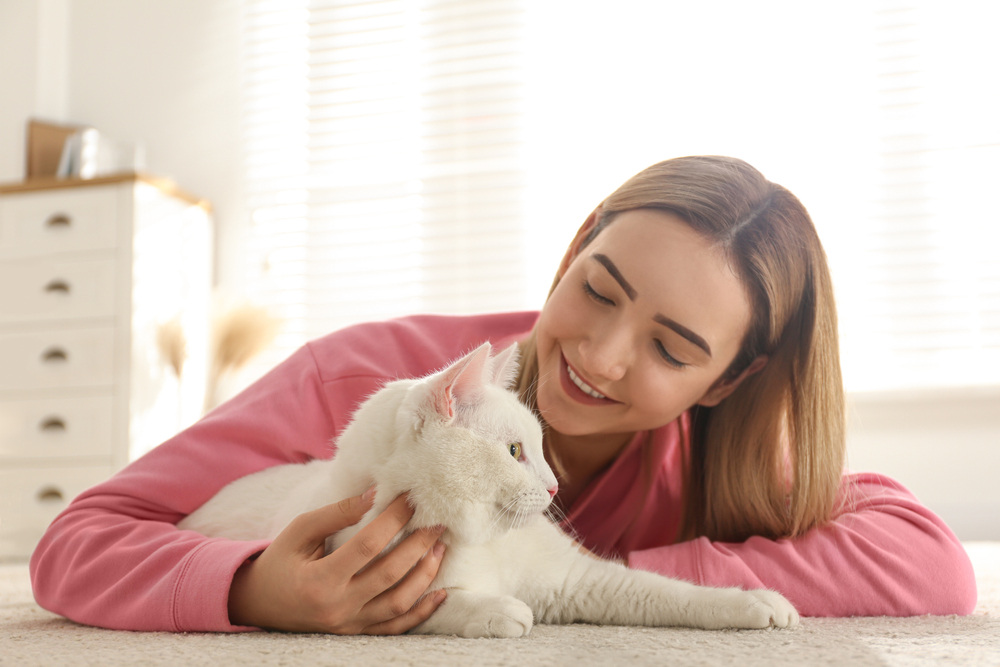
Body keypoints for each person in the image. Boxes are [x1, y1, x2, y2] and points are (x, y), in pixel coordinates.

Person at [30, 156, 977, 634]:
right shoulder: (363, 382)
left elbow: (933, 565)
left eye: (670, 347)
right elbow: (78, 539)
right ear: (572, 253)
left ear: (725, 382)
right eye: (597, 289)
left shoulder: (708, 452)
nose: (599, 356)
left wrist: (617, 585)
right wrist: (254, 588)